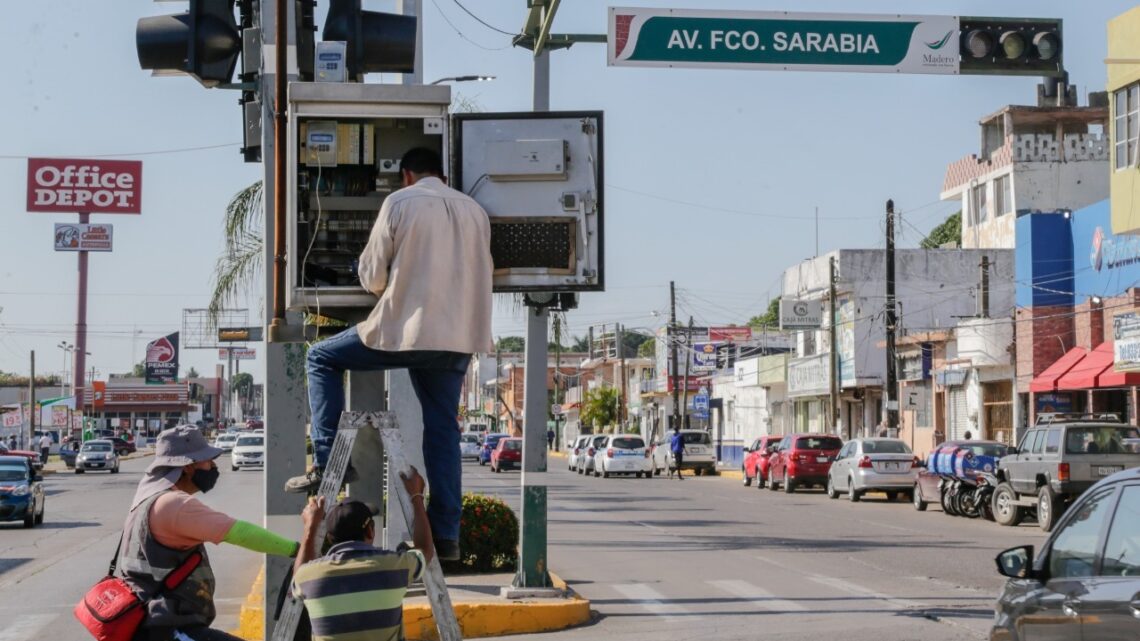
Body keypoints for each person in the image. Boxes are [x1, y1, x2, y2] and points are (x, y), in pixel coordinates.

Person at [284, 147, 493, 563]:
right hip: (458, 339)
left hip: (406, 333)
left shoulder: (399, 202)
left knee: (321, 359)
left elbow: (373, 276)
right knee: (442, 432)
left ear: (406, 176)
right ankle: (446, 534)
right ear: (443, 176)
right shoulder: (475, 211)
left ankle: (329, 464)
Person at [119, 425, 300, 641]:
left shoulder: (147, 497)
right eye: (207, 460)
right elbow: (239, 532)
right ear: (188, 467)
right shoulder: (173, 504)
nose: (213, 466)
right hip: (168, 628)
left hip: (151, 622)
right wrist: (296, 549)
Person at [292, 468, 434, 641]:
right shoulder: (395, 567)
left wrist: (310, 527)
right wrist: (416, 496)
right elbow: (426, 550)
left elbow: (298, 573)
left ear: (329, 538)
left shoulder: (309, 577)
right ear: (370, 530)